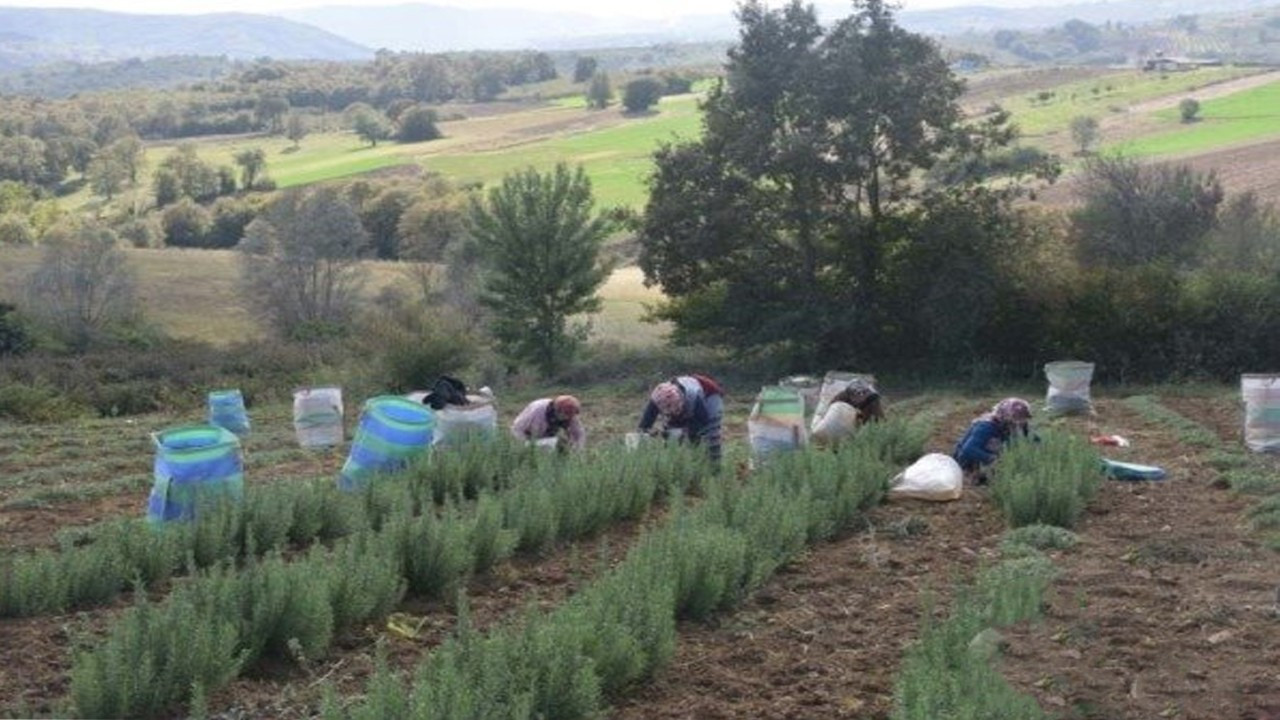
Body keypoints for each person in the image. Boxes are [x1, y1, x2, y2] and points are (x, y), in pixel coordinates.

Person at [638, 374, 724, 466]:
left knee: (709, 434)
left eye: (677, 410)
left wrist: (684, 432)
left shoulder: (694, 396)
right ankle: (675, 466)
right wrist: (644, 433)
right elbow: (645, 423)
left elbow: (702, 422)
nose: (674, 413)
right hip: (685, 394)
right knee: (671, 437)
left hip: (709, 394)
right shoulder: (658, 397)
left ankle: (713, 466)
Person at [952, 397, 1035, 485]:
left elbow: (1033, 439)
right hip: (969, 462)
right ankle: (975, 476)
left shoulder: (1018, 424)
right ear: (1006, 415)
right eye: (1017, 418)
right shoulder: (986, 426)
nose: (1019, 422)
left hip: (995, 457)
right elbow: (968, 450)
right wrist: (994, 460)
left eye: (1023, 418)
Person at [510, 395, 585, 451]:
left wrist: (577, 450)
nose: (569, 418)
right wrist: (525, 446)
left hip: (547, 437)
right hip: (528, 437)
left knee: (561, 444)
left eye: (571, 415)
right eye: (566, 414)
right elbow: (517, 429)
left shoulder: (570, 415)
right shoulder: (537, 410)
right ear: (558, 410)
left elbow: (579, 434)